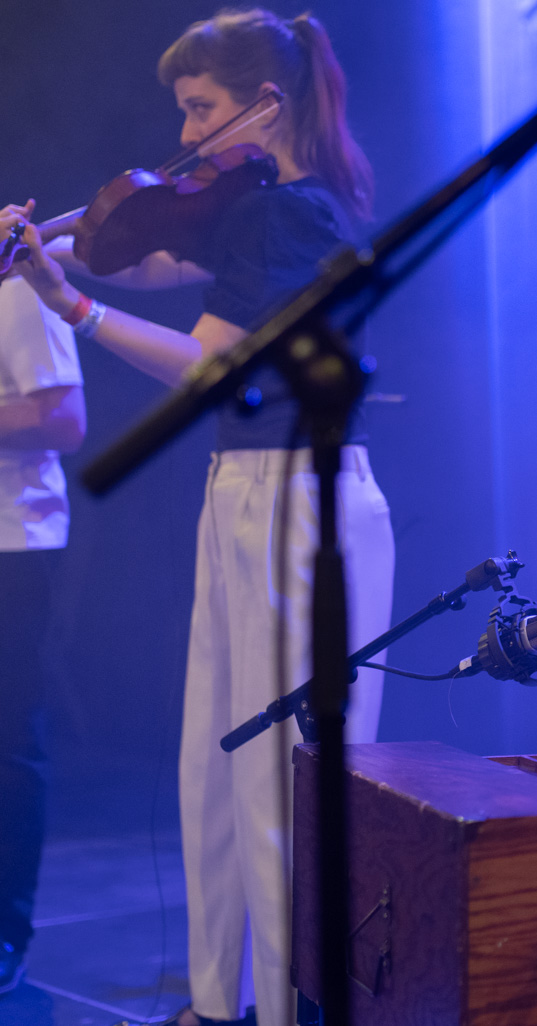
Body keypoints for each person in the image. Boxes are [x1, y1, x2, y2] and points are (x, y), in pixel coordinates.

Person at [2, 10, 394, 1025]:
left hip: (296, 500)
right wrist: (46, 246)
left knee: (273, 776)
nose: (185, 136)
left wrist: (70, 307)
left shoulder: (288, 215)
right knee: (220, 762)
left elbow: (212, 364)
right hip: (253, 491)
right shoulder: (257, 207)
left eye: (200, 108)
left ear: (267, 103)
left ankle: (281, 1007)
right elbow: (134, 254)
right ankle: (224, 1000)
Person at [0, 276, 86, 997]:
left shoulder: (19, 286)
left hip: (10, 545)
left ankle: (5, 931)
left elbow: (64, 420)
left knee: (6, 748)